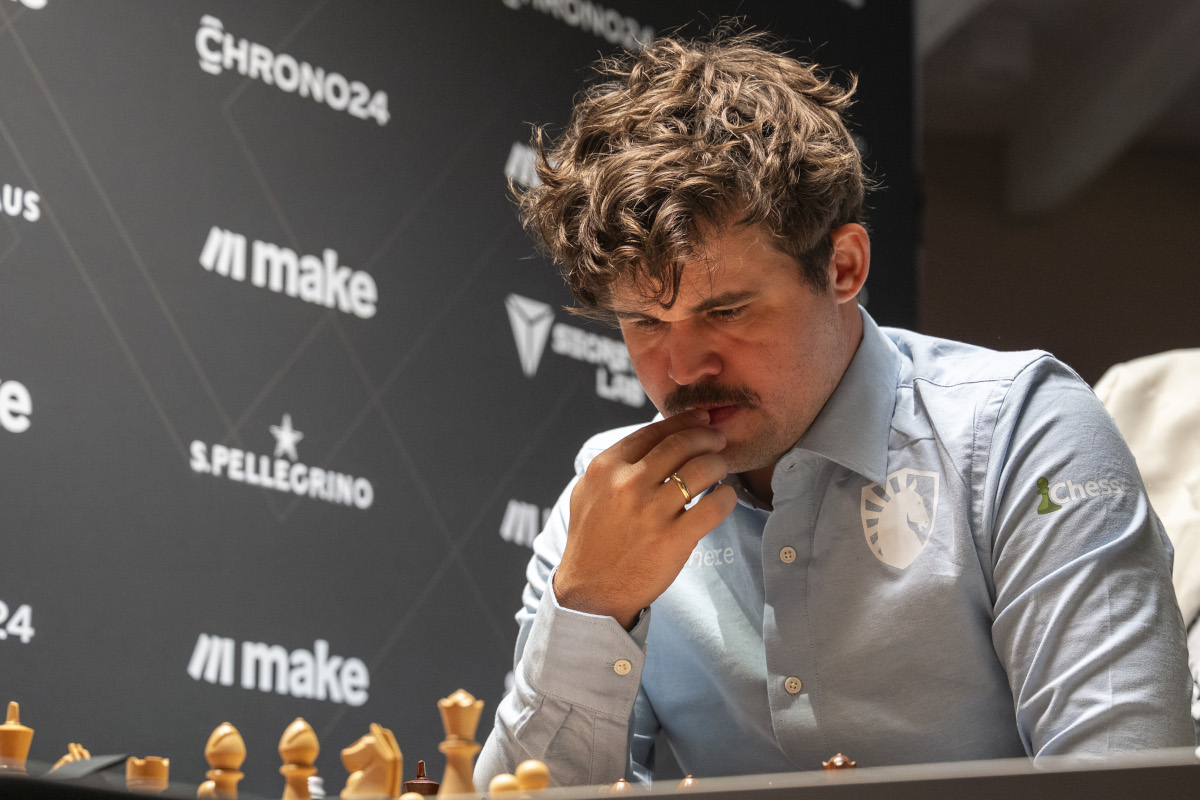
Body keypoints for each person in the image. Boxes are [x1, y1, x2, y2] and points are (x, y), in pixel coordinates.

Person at [476, 30, 1196, 787]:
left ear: (844, 266)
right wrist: (590, 607)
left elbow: (1125, 784)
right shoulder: (603, 506)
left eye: (727, 311)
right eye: (645, 323)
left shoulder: (1024, 433)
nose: (682, 369)